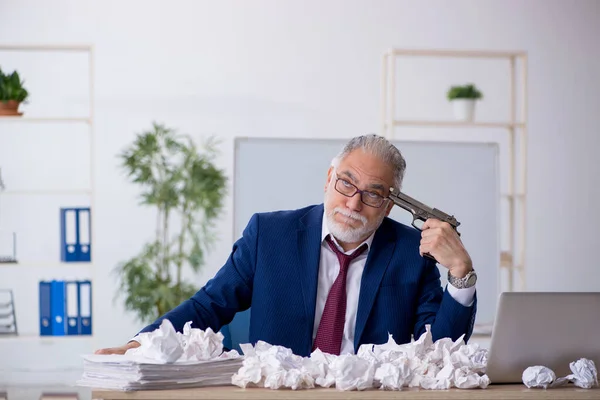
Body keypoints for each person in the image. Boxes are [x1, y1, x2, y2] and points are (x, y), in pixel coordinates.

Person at [96, 134, 477, 357]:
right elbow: (208, 306)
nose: (352, 203)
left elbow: (438, 353)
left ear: (390, 204)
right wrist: (139, 346)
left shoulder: (411, 252)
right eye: (346, 183)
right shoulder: (269, 234)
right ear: (329, 178)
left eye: (372, 194)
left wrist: (460, 275)